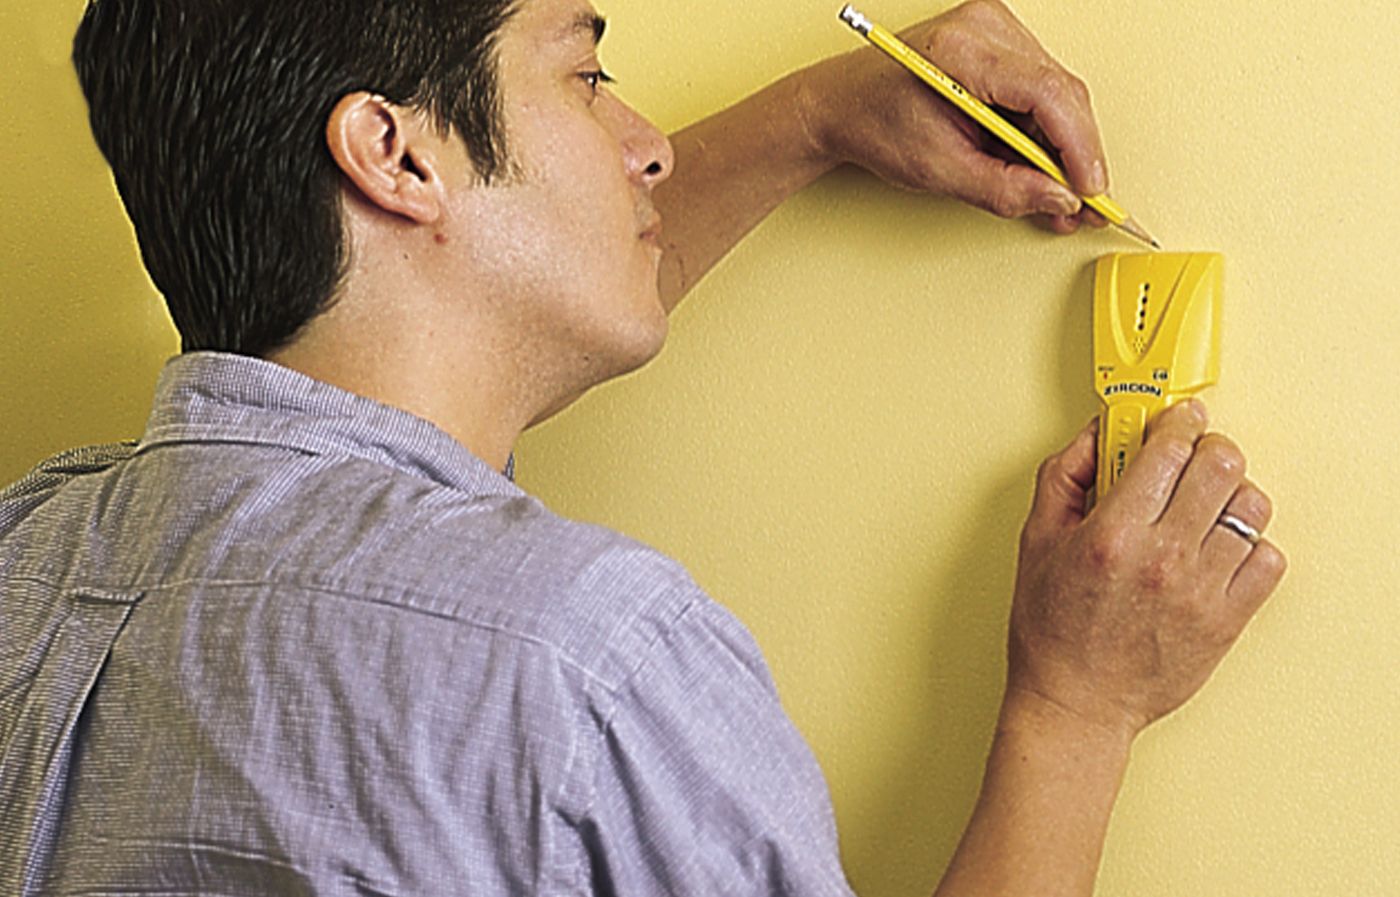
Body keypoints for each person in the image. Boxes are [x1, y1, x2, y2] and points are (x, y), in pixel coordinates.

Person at [0, 0, 1287, 894]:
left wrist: (812, 121)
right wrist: (1074, 711)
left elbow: (365, 477)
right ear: (394, 155)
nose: (650, 142)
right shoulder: (583, 657)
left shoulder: (29, 556)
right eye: (585, 74)